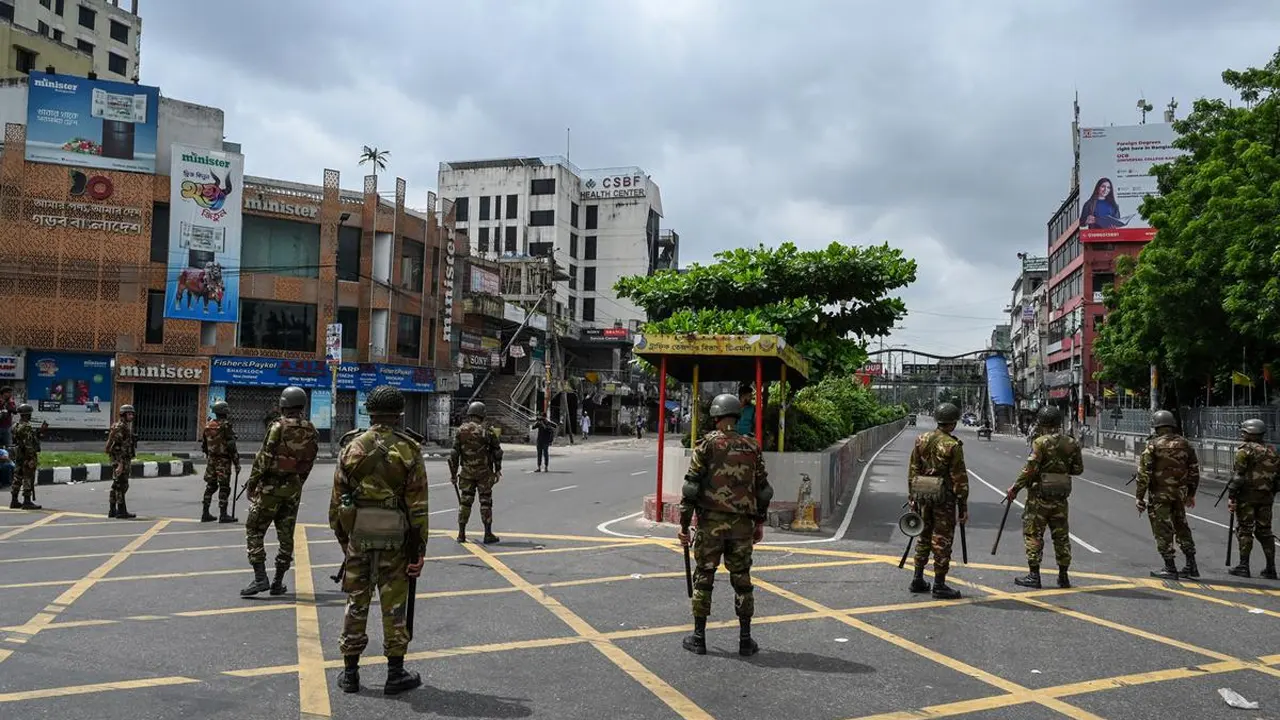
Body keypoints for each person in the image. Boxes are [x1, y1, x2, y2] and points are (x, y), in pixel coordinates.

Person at [330, 385, 428, 695]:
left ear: (369, 412)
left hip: (359, 536)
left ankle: (350, 675)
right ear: (399, 414)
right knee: (394, 604)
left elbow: (337, 504)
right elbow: (418, 508)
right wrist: (418, 552)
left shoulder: (351, 447)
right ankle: (395, 674)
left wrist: (346, 542)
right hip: (396, 540)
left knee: (356, 602)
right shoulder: (409, 449)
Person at [677, 393, 772, 656]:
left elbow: (691, 488)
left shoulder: (706, 446)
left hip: (710, 525)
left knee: (704, 578)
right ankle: (745, 639)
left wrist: (684, 527)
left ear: (716, 417)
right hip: (742, 526)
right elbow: (764, 491)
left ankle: (699, 638)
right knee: (742, 580)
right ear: (736, 416)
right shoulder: (752, 446)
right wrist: (759, 522)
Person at [241, 386, 319, 597]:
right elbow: (309, 462)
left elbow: (263, 459)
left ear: (283, 405)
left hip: (270, 489)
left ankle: (260, 578)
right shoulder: (311, 429)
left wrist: (252, 483)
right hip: (293, 489)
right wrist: (297, 482)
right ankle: (277, 582)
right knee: (286, 537)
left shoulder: (278, 427)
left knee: (255, 530)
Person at [1006, 406, 1082, 589]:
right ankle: (1063, 576)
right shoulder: (1072, 443)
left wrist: (1015, 488)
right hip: (1060, 498)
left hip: (1038, 498)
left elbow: (1030, 469)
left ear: (1041, 423)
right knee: (1061, 536)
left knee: (1033, 534)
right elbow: (1078, 469)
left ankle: (1034, 576)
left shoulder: (1040, 442)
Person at [906, 402, 969, 599]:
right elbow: (959, 479)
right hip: (944, 499)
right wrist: (963, 506)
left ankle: (917, 578)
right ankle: (939, 584)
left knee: (923, 535)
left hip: (923, 495)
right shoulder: (953, 446)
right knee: (941, 538)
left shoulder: (921, 439)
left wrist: (912, 495)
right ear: (953, 423)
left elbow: (913, 470)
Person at [1135, 410, 1200, 579]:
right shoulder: (1185, 444)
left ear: (1157, 426)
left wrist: (1139, 497)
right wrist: (1191, 493)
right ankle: (1191, 564)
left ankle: (1170, 567)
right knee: (1181, 526)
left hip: (1160, 495)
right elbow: (1194, 471)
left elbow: (1144, 474)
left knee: (1162, 528)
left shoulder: (1153, 445)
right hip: (1180, 494)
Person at [1227, 418, 1277, 579]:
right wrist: (1270, 493)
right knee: (1265, 532)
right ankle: (1271, 568)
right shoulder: (1272, 451)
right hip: (1266, 497)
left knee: (1245, 530)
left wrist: (1232, 496)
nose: (1242, 434)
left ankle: (1243, 566)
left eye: (1244, 431)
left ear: (1250, 433)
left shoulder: (1245, 451)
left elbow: (1239, 476)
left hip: (1247, 497)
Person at [449, 401, 502, 543]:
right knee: (485, 502)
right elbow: (497, 452)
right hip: (484, 474)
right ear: (482, 414)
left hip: (466, 473)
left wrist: (453, 474)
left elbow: (454, 454)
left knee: (465, 502)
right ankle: (487, 533)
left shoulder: (461, 431)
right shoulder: (487, 431)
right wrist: (498, 470)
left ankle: (461, 533)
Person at [201, 400, 241, 523]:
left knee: (210, 486)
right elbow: (231, 445)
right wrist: (236, 463)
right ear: (225, 412)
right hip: (223, 461)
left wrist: (210, 455)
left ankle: (205, 513)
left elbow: (204, 445)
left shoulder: (208, 425)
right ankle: (223, 514)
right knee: (224, 487)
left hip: (212, 460)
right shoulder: (226, 426)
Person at [105, 404, 138, 519]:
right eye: (129, 414)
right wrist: (120, 464)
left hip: (122, 459)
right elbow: (117, 447)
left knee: (116, 485)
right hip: (120, 460)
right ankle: (121, 510)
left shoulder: (123, 426)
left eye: (132, 414)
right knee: (121, 485)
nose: (131, 416)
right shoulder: (120, 427)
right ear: (123, 415)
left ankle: (113, 509)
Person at [9, 404, 41, 510]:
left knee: (17, 476)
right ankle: (27, 501)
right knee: (28, 476)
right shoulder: (27, 427)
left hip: (18, 454)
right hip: (27, 455)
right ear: (27, 414)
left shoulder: (15, 425)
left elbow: (16, 440)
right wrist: (32, 457)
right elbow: (28, 443)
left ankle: (14, 500)